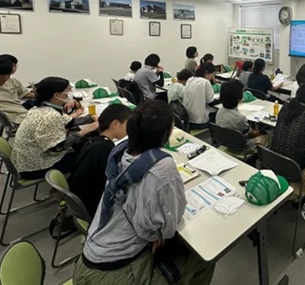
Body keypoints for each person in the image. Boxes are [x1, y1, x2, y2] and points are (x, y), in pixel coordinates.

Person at [73, 100, 215, 285]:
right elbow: (167, 226)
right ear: (168, 132)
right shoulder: (163, 167)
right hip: (114, 273)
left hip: (89, 257)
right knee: (203, 259)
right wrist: (157, 235)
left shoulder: (120, 151)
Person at [11, 77, 99, 180]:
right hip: (35, 167)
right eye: (68, 90)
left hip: (27, 160)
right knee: (91, 155)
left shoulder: (41, 107)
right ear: (56, 95)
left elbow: (68, 122)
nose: (70, 94)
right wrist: (86, 130)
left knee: (86, 144)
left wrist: (90, 118)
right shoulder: (50, 116)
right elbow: (57, 147)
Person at [69, 104, 132, 218]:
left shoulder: (94, 141)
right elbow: (114, 181)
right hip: (93, 205)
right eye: (128, 125)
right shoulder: (105, 149)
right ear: (115, 124)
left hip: (81, 196)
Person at [216, 80, 271, 152]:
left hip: (225, 143)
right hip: (243, 148)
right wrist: (260, 132)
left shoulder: (220, 110)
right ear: (239, 100)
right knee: (269, 137)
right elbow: (251, 135)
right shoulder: (240, 118)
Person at [0, 57, 29, 124]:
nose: (6, 78)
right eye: (2, 75)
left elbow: (24, 93)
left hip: (24, 113)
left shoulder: (12, 81)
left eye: (8, 74)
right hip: (18, 119)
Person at [183, 62, 217, 128]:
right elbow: (210, 103)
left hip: (187, 120)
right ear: (206, 72)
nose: (212, 77)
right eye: (212, 75)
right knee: (217, 114)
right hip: (199, 122)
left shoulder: (190, 79)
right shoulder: (205, 82)